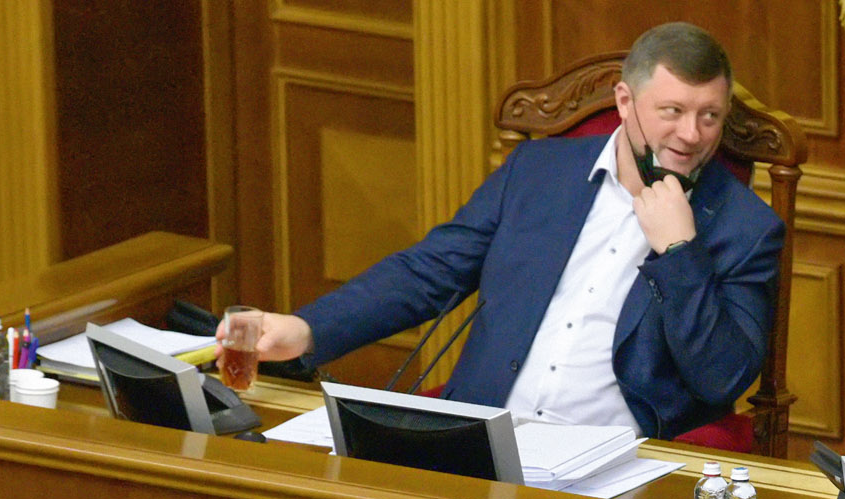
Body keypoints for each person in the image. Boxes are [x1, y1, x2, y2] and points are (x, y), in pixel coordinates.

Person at [224, 22, 783, 439]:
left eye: (709, 116)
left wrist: (680, 251)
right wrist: (307, 329)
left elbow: (722, 378)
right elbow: (428, 272)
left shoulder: (746, 229)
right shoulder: (537, 173)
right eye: (672, 111)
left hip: (614, 463)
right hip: (482, 436)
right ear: (624, 102)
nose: (692, 135)